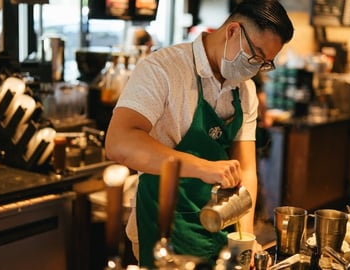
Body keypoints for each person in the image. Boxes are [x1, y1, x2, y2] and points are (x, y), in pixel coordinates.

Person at [105, 0, 294, 267]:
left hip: (220, 227)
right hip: (165, 227)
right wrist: (204, 168)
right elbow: (118, 142)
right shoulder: (163, 68)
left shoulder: (245, 90)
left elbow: (247, 170)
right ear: (232, 32)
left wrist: (246, 235)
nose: (254, 68)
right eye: (255, 56)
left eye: (264, 63)